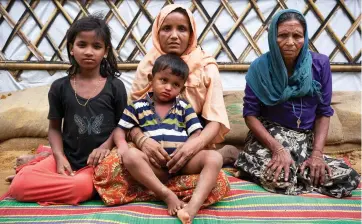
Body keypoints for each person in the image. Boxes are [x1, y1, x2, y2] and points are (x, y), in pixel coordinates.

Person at [234, 9, 360, 198]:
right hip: (270, 138)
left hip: (305, 142)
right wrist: (277, 149)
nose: (290, 42)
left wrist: (317, 154)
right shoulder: (259, 68)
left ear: (305, 37)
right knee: (280, 178)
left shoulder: (320, 64)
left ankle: (283, 170)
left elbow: (324, 112)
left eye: (297, 36)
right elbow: (250, 115)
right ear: (272, 37)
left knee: (348, 178)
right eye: (283, 35)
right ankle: (244, 158)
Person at [5, 15, 127, 205]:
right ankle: (41, 174)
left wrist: (105, 146)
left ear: (105, 51)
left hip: (97, 163)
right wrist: (59, 157)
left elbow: (123, 125)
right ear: (71, 47)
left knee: (81, 188)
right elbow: (54, 128)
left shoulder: (115, 87)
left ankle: (41, 178)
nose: (88, 52)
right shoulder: (59, 87)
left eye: (96, 46)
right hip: (67, 156)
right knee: (17, 187)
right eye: (82, 45)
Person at [116, 54, 224, 223]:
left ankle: (192, 207)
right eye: (163, 80)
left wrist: (186, 151)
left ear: (181, 89)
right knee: (130, 156)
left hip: (182, 163)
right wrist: (122, 145)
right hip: (154, 166)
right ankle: (166, 195)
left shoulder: (184, 107)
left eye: (175, 84)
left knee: (215, 157)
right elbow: (121, 129)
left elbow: (195, 133)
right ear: (151, 78)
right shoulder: (137, 106)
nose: (168, 87)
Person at [130, 4, 238, 171]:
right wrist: (142, 141)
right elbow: (132, 117)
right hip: (151, 137)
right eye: (166, 28)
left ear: (191, 34)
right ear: (157, 32)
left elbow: (215, 120)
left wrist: (193, 146)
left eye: (182, 29)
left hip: (192, 137)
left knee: (211, 178)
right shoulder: (147, 66)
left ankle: (223, 155)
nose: (174, 36)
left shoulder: (205, 66)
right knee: (118, 167)